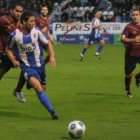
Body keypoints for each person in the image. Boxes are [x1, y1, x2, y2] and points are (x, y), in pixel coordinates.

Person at [6, 11, 58, 119]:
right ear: (24, 21)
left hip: (40, 66)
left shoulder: (37, 31)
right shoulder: (15, 35)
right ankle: (53, 113)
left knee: (43, 89)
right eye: (31, 21)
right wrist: (13, 61)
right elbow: (8, 49)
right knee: (38, 88)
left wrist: (52, 56)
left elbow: (48, 43)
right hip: (27, 66)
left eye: (34, 20)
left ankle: (28, 83)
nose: (34, 23)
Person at [0, 2, 26, 103]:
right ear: (12, 10)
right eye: (17, 11)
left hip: (15, 52)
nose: (18, 13)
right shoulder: (4, 20)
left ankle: (18, 90)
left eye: (20, 11)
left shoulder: (21, 23)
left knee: (28, 68)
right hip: (4, 52)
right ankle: (18, 90)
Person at [121, 8, 140, 97]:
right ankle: (127, 90)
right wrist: (133, 39)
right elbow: (122, 39)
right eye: (133, 15)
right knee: (128, 74)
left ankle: (138, 76)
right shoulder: (129, 27)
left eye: (137, 14)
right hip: (131, 54)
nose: (135, 16)